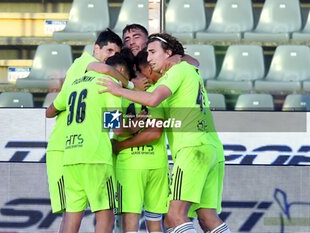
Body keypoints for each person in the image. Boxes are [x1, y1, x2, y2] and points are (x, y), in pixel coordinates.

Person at [98, 33, 231, 233]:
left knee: (171, 218)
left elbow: (153, 130)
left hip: (178, 154)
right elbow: (116, 125)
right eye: (145, 68)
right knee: (205, 215)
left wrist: (121, 93)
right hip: (209, 147)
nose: (149, 72)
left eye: (152, 54)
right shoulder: (183, 72)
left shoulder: (162, 84)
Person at [46, 51, 135, 233]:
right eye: (125, 77)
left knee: (72, 215)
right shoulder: (108, 85)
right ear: (118, 71)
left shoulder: (73, 83)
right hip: (96, 158)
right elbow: (116, 127)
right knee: (105, 214)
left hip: (71, 156)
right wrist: (136, 126)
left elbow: (49, 111)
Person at [111, 49, 169, 232]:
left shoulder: (115, 96)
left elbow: (117, 129)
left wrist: (122, 142)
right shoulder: (154, 95)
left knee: (130, 224)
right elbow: (155, 133)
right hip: (156, 163)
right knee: (155, 223)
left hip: (129, 165)